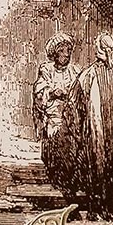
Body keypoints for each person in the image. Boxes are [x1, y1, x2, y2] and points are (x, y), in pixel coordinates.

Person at [72, 32, 113, 219]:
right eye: (104, 48)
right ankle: (98, 208)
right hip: (96, 130)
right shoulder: (88, 74)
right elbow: (76, 103)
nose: (107, 52)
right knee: (97, 164)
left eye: (109, 48)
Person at [33, 33, 81, 196]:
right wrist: (53, 92)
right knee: (55, 144)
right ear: (55, 53)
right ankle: (58, 178)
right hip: (54, 116)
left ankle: (69, 181)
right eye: (62, 51)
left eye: (68, 51)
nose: (66, 55)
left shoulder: (75, 71)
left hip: (71, 117)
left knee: (72, 148)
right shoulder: (46, 69)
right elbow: (40, 90)